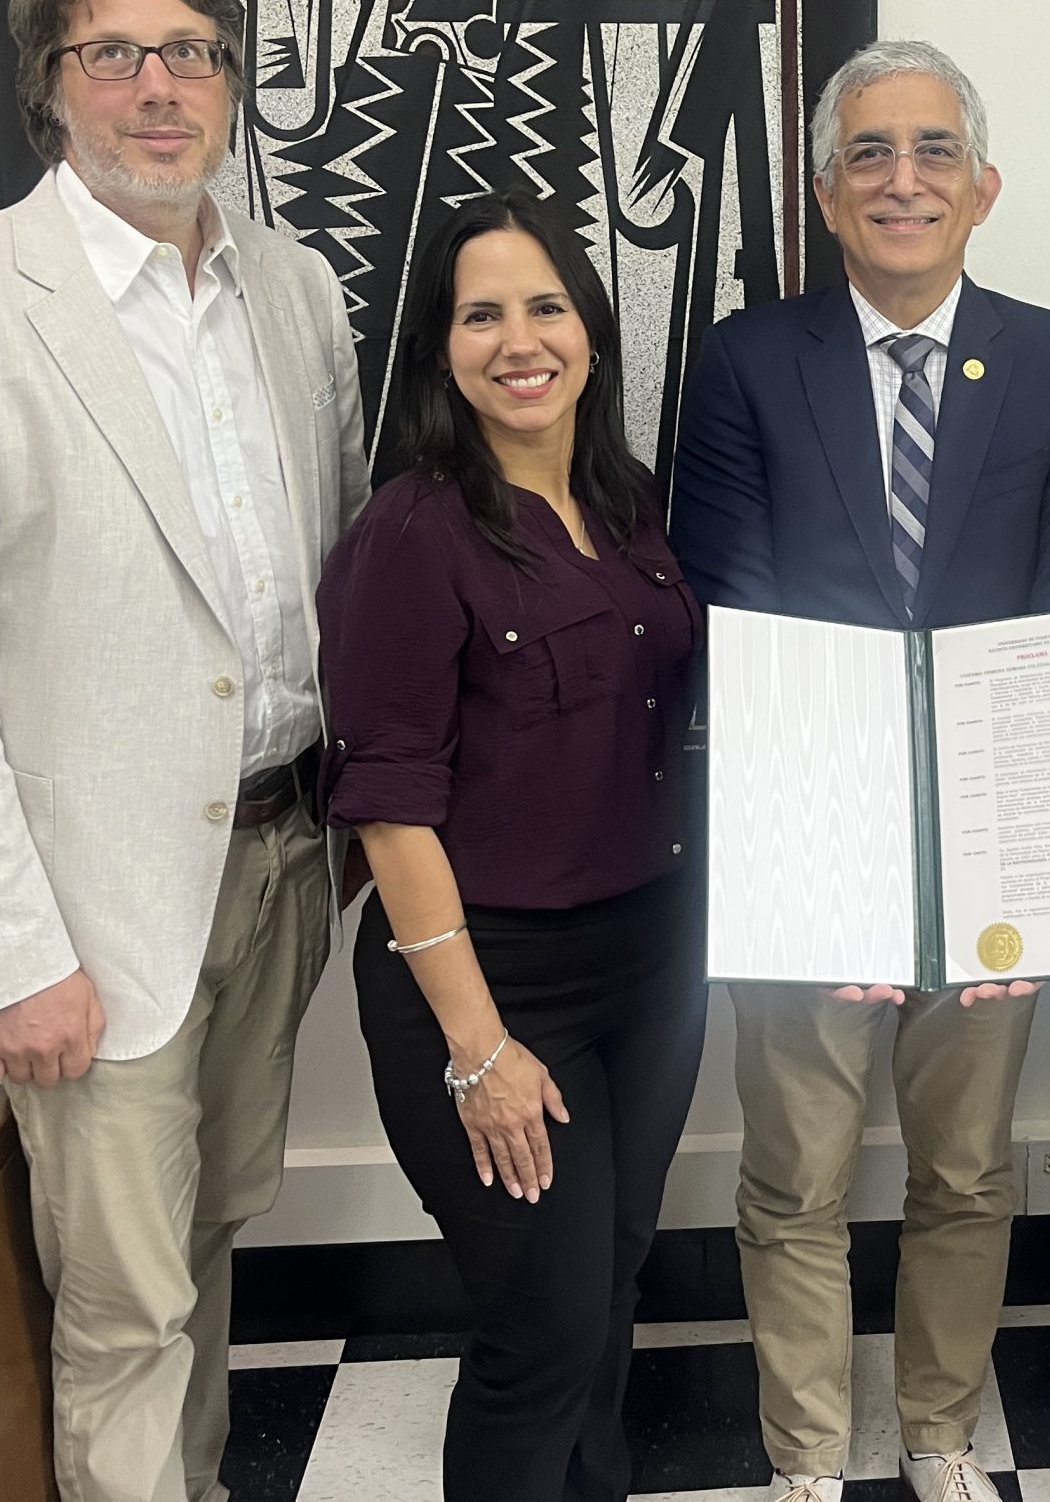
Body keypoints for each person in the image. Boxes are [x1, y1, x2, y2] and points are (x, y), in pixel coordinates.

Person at [0, 0, 369, 1502]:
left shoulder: (292, 287)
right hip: (83, 911)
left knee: (206, 1236)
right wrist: (7, 954)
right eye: (111, 54)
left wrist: (337, 829)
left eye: (191, 52)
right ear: (47, 88)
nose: (158, 87)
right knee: (126, 1300)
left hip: (273, 860)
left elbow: (326, 561)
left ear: (232, 82)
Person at [671, 39, 1050, 1502]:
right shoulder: (749, 359)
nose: (903, 178)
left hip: (988, 854)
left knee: (971, 1172)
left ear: (984, 187)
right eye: (869, 152)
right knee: (796, 1175)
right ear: (823, 191)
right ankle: (806, 1449)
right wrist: (837, 868)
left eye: (933, 151)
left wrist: (1026, 887)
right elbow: (732, 602)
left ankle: (938, 1428)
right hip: (813, 830)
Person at [318, 190, 707, 1502]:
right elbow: (387, 804)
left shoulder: (631, 503)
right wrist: (478, 1052)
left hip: (651, 970)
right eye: (480, 314)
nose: (518, 337)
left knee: (607, 1284)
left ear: (593, 332)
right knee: (539, 1325)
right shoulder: (413, 534)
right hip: (489, 985)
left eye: (545, 305)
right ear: (440, 350)